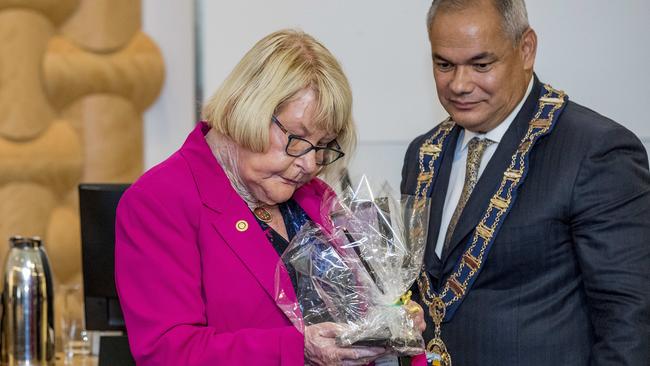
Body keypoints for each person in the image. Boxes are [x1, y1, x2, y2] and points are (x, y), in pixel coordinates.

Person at [115, 29, 425, 366]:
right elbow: (169, 353)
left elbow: (359, 309)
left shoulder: (313, 196)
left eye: (323, 146)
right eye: (297, 138)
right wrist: (297, 350)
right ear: (248, 107)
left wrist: (391, 323)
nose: (310, 163)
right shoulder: (160, 200)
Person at [401, 1, 650, 365]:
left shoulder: (594, 150)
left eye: (481, 64)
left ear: (526, 49)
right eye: (444, 65)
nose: (459, 84)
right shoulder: (423, 153)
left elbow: (630, 324)